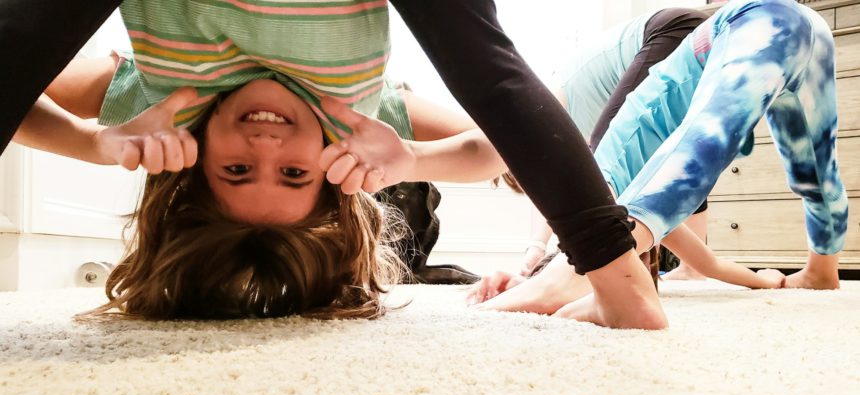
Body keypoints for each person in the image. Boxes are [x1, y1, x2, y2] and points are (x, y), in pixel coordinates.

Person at [3, 0, 667, 329]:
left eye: (236, 172)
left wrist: (94, 143)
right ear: (330, 164)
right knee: (486, 69)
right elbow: (501, 129)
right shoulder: (351, 115)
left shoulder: (159, 102)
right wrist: (411, 156)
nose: (265, 151)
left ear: (196, 163)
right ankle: (626, 291)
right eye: (293, 175)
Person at [470, 0, 847, 319]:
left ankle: (567, 275)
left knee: (694, 139)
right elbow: (709, 264)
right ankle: (821, 270)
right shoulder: (643, 209)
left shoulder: (615, 160)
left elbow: (688, 153)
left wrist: (550, 268)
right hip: (803, 27)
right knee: (814, 164)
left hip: (755, 22)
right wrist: (764, 279)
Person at [512, 8, 710, 278]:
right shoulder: (557, 126)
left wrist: (543, 246)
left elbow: (565, 187)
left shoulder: (541, 114)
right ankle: (693, 268)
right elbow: (560, 187)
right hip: (695, 34)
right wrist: (536, 245)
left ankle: (594, 270)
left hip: (670, 31)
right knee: (674, 152)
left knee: (611, 160)